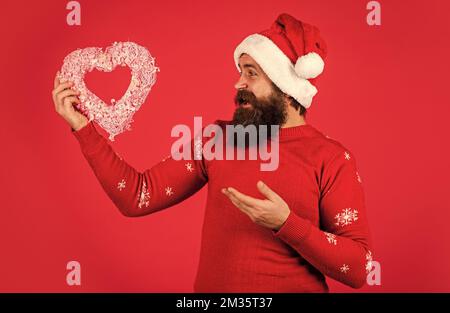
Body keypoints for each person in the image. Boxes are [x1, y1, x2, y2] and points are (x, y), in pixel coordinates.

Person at [52, 13, 373, 292]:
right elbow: (137, 196)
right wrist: (83, 127)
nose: (238, 83)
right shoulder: (217, 138)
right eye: (240, 71)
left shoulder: (330, 158)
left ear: (285, 86)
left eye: (251, 73)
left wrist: (286, 223)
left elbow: (358, 268)